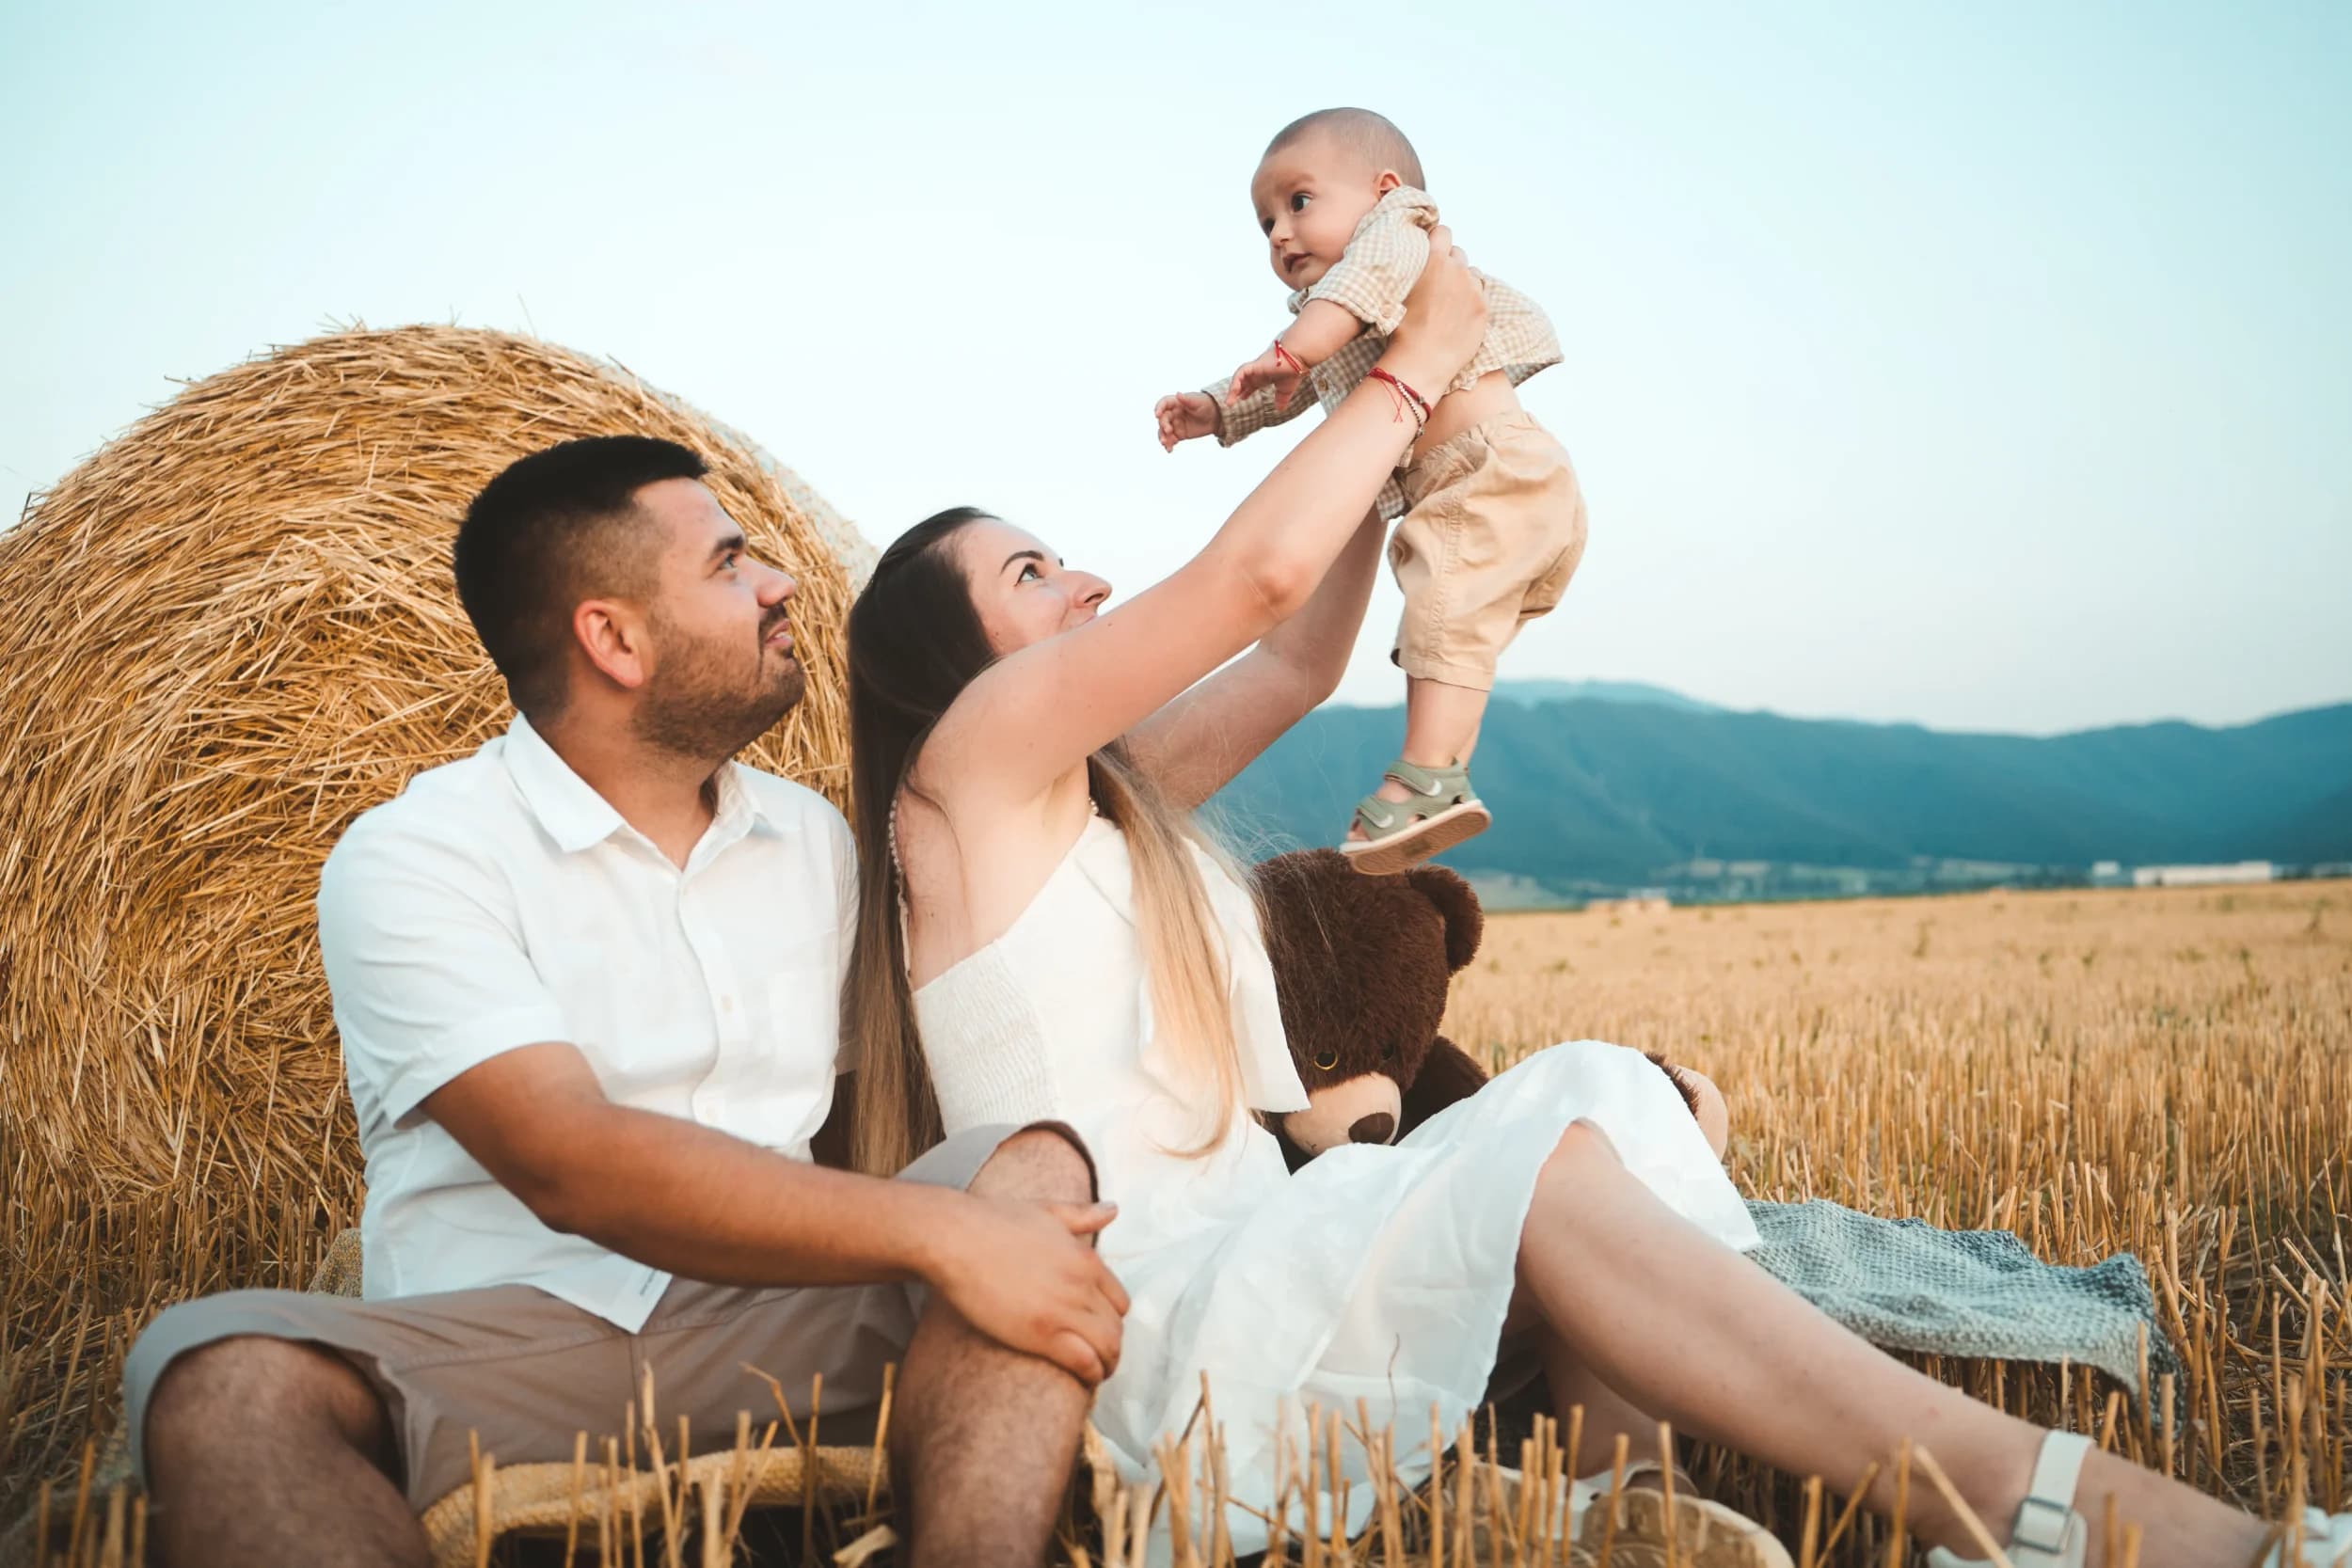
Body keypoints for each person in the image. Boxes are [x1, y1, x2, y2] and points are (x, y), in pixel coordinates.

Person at [856, 226, 2349, 1566]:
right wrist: (1420, 356)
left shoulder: (1113, 809)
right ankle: (2073, 1516)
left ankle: (1606, 1511)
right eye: (1034, 572)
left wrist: (1391, 415)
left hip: (1274, 1264)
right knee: (1552, 1156)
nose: (1089, 583)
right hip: (1164, 1336)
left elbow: (1302, 656)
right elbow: (1248, 579)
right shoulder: (965, 775)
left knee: (1602, 1093)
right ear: (951, 663)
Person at [119, 436, 1129, 1568]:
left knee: (1030, 1165)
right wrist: (949, 1232)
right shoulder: (416, 855)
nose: (780, 582)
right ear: (613, 637)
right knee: (217, 1370)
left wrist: (983, 1220)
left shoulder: (810, 840)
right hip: (514, 1345)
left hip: (786, 1324)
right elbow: (569, 1158)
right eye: (729, 564)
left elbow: (854, 1123)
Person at [1153, 106, 1583, 875]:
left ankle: (1429, 776)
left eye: (1299, 201)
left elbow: (1335, 314)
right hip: (1502, 483)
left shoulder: (1399, 236)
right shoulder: (1343, 315)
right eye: (1266, 223)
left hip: (1485, 473)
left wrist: (1289, 346)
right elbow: (1291, 386)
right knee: (1452, 638)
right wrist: (1219, 409)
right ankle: (1437, 767)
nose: (1281, 232)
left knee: (1442, 624)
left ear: (1384, 191)